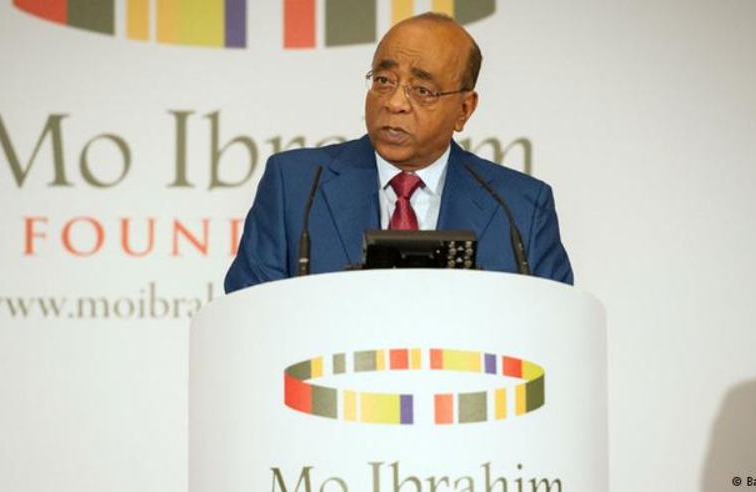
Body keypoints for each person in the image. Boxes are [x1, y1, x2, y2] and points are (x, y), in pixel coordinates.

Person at [224, 12, 573, 293]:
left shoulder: (521, 209)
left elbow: (555, 332)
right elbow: (249, 315)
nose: (394, 102)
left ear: (464, 109)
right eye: (383, 80)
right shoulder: (297, 186)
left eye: (422, 90)